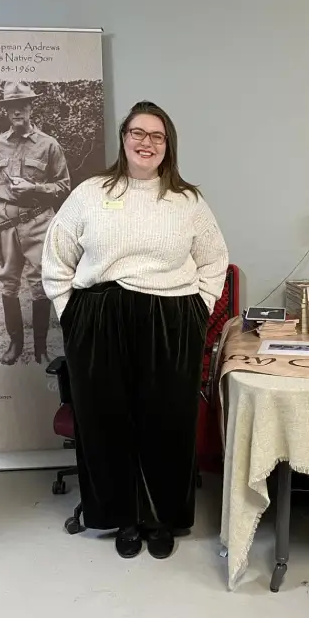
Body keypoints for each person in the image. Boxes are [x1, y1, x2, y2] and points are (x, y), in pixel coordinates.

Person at [42, 100, 229, 560]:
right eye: (137, 133)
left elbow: (214, 261)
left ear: (168, 145)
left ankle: (161, 518)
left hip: (170, 321)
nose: (147, 142)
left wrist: (196, 311)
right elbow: (57, 255)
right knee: (106, 421)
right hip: (100, 319)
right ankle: (121, 516)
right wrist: (72, 313)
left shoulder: (188, 201)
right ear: (124, 138)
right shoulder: (90, 193)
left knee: (167, 422)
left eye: (156, 135)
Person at [0, 82, 71, 365]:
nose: (17, 112)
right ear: (6, 111)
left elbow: (64, 185)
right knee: (8, 281)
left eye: (22, 106)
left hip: (39, 221)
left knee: (40, 283)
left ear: (30, 108)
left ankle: (40, 348)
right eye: (11, 107)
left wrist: (34, 187)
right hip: (6, 222)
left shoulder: (49, 145)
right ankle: (15, 344)